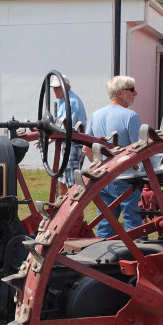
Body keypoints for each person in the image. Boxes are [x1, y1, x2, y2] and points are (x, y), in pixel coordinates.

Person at [86, 76, 142, 233]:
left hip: (104, 177)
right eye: (131, 90)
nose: (135, 93)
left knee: (105, 222)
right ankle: (136, 254)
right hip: (126, 177)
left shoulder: (96, 115)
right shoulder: (131, 116)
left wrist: (100, 167)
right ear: (119, 93)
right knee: (133, 221)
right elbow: (139, 151)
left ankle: (101, 255)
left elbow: (87, 148)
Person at [50, 75, 87, 197]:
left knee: (72, 182)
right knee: (62, 179)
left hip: (73, 144)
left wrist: (49, 137)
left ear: (66, 87)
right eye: (54, 88)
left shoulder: (71, 101)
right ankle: (61, 210)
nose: (55, 91)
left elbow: (67, 127)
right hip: (67, 143)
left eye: (57, 88)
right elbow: (60, 126)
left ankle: (77, 215)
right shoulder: (64, 100)